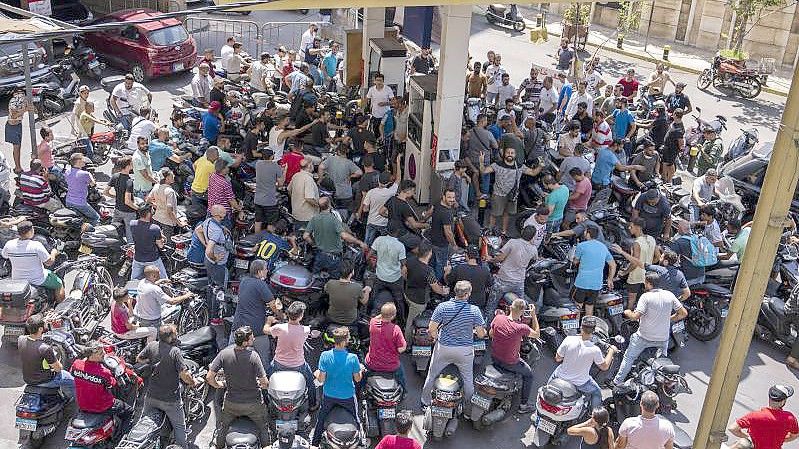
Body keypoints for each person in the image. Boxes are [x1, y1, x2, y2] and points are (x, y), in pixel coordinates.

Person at [612, 272, 688, 385]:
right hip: (662, 339)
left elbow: (635, 317)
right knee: (661, 362)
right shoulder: (669, 295)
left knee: (629, 357)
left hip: (644, 337)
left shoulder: (646, 297)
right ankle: (661, 383)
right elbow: (683, 313)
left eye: (645, 283)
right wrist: (668, 319)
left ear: (648, 284)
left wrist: (627, 312)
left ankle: (617, 381)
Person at [421, 281, 487, 408]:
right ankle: (468, 406)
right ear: (467, 294)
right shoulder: (475, 310)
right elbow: (480, 334)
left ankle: (425, 401)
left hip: (444, 348)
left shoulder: (442, 307)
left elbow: (431, 329)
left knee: (432, 374)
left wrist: (437, 338)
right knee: (468, 379)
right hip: (465, 350)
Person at [207, 326, 270, 449]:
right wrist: (260, 384)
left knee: (222, 428)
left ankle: (219, 446)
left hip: (231, 404)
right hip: (253, 404)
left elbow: (209, 377)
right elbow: (265, 383)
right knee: (263, 428)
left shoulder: (224, 354)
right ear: (245, 342)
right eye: (252, 338)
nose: (254, 339)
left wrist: (219, 385)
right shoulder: (253, 356)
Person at [136, 324, 196, 449]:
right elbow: (184, 375)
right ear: (170, 337)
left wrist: (151, 363)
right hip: (170, 400)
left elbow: (139, 359)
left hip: (151, 396)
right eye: (175, 333)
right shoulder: (175, 352)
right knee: (180, 427)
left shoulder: (152, 345)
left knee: (143, 423)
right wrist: (192, 382)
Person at [551, 316, 618, 409]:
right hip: (581, 383)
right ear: (593, 330)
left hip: (560, 376)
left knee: (549, 384)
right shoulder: (595, 350)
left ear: (581, 327)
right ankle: (594, 417)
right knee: (597, 393)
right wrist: (611, 350)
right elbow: (604, 367)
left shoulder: (568, 339)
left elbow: (558, 359)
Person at [263, 301, 318, 407]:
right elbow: (312, 333)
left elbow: (265, 330)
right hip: (299, 365)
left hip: (278, 364)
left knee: (265, 381)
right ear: (301, 316)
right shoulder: (305, 330)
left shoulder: (279, 328)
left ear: (288, 314)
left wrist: (268, 321)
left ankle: (265, 403)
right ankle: (313, 405)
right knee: (311, 383)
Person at [71, 342, 134, 434]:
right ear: (91, 355)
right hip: (102, 406)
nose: (104, 353)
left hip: (83, 405)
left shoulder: (76, 364)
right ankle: (124, 435)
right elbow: (112, 384)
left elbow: (73, 372)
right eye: (100, 353)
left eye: (103, 351)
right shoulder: (103, 372)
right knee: (129, 411)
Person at [490, 295, 539, 412]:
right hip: (510, 362)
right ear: (522, 311)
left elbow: (491, 334)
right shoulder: (521, 327)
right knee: (529, 375)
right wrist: (533, 315)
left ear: (510, 307)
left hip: (495, 357)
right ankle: (523, 406)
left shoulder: (498, 318)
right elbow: (537, 334)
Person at [479, 147, 543, 234]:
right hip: (498, 194)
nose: (510, 154)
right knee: (494, 214)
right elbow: (484, 171)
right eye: (508, 152)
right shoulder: (497, 164)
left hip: (512, 195)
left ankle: (504, 232)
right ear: (504, 154)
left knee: (507, 214)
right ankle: (490, 230)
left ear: (515, 155)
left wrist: (540, 166)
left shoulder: (520, 166)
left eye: (512, 153)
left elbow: (533, 172)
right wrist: (481, 162)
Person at [3, 221, 64, 302]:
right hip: (38, 279)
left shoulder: (9, 244)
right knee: (59, 284)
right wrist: (54, 252)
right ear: (31, 231)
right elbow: (49, 262)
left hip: (17, 279)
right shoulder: (36, 245)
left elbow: (5, 256)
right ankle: (61, 308)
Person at [404, 242, 450, 341]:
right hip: (418, 300)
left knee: (409, 315)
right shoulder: (428, 270)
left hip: (407, 294)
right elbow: (435, 288)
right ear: (429, 254)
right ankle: (407, 343)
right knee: (411, 322)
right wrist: (444, 291)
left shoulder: (410, 261)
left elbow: (403, 273)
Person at [19, 314, 74, 395]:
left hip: (27, 378)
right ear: (40, 329)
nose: (46, 324)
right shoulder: (45, 348)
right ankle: (75, 401)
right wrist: (57, 361)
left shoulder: (20, 340)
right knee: (72, 380)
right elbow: (58, 369)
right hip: (44, 380)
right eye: (44, 324)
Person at [728, 385, 798, 449]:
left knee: (743, 443)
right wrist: (781, 439)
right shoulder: (790, 418)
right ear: (783, 401)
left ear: (769, 398)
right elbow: (794, 435)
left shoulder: (755, 416)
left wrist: (749, 438)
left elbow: (732, 428)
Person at [611, 218, 658, 309]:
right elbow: (657, 257)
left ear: (638, 228)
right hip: (648, 274)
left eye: (631, 226)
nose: (629, 228)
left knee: (631, 300)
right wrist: (647, 265)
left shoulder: (636, 243)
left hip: (636, 276)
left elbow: (634, 263)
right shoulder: (651, 239)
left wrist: (624, 272)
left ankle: (629, 319)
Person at [489, 226, 538, 312]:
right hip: (519, 282)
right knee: (520, 308)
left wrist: (491, 259)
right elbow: (534, 260)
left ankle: (487, 324)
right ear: (533, 236)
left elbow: (500, 258)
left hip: (503, 280)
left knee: (491, 307)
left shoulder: (512, 242)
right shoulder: (533, 249)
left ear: (522, 232)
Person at [231, 259, 280, 340]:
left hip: (237, 326)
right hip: (255, 330)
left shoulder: (244, 281)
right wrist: (281, 316)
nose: (267, 271)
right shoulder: (261, 284)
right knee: (264, 352)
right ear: (259, 272)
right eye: (265, 269)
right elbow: (273, 305)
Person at [573, 226, 616, 316]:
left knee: (578, 306)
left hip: (582, 282)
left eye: (585, 232)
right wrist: (610, 279)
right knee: (590, 306)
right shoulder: (603, 247)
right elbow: (613, 265)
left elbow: (575, 261)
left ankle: (576, 328)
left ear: (588, 234)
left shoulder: (581, 246)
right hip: (596, 284)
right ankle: (588, 327)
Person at [364, 302, 407, 389]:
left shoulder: (373, 323)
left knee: (364, 374)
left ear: (381, 313)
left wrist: (383, 314)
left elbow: (376, 318)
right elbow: (401, 349)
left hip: (372, 364)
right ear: (393, 316)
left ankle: (361, 390)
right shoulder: (396, 329)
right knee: (401, 376)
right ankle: (404, 390)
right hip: (391, 366)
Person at [204, 205, 234, 325]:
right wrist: (215, 258)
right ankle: (215, 317)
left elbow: (198, 230)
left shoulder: (208, 221)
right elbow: (209, 250)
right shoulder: (216, 232)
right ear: (217, 215)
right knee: (219, 289)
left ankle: (208, 309)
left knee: (211, 286)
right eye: (223, 213)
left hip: (208, 262)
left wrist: (222, 228)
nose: (225, 214)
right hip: (217, 264)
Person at [372, 227, 407, 317]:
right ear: (397, 231)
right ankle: (401, 319)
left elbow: (370, 255)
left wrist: (371, 264)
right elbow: (403, 263)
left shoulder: (379, 240)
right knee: (399, 300)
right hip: (394, 278)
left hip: (380, 276)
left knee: (373, 296)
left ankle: (370, 313)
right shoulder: (400, 245)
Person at [323, 260, 370, 326]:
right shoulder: (357, 287)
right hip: (351, 320)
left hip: (332, 317)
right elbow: (364, 301)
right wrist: (367, 290)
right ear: (352, 272)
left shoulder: (330, 283)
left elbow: (325, 289)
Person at [445, 244, 492, 310]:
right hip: (478, 303)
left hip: (460, 302)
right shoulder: (485, 270)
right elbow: (489, 285)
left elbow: (448, 281)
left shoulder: (458, 268)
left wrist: (447, 272)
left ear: (466, 255)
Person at [318, 143, 363, 210]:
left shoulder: (331, 159)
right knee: (347, 214)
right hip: (346, 194)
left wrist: (320, 179)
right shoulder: (349, 163)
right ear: (347, 151)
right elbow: (360, 172)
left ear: (338, 151)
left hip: (334, 193)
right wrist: (350, 176)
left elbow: (321, 167)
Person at [104, 157, 138, 242]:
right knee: (130, 233)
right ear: (128, 166)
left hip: (117, 209)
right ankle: (130, 250)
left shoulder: (115, 176)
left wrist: (116, 197)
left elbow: (105, 192)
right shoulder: (129, 181)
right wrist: (138, 208)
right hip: (128, 212)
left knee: (113, 230)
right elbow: (127, 201)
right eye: (132, 163)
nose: (133, 165)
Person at [130, 203, 167, 280]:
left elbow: (143, 233)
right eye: (152, 210)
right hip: (153, 259)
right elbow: (160, 245)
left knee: (134, 281)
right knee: (164, 279)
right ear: (148, 213)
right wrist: (163, 239)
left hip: (138, 259)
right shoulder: (155, 228)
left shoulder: (132, 224)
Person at [148, 168, 185, 241]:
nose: (174, 175)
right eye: (172, 175)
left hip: (156, 218)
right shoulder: (170, 191)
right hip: (167, 222)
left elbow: (148, 200)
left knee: (157, 241)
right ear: (167, 178)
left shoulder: (156, 187)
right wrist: (180, 223)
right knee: (168, 245)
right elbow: (169, 211)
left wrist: (157, 206)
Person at [254, 149, 285, 233]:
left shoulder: (258, 164)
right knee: (270, 224)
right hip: (270, 201)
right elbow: (281, 183)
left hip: (258, 200)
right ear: (272, 156)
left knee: (258, 222)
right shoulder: (275, 166)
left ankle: (257, 240)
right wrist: (283, 171)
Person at [65, 153, 99, 225]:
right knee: (96, 218)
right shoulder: (85, 174)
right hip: (80, 203)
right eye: (83, 160)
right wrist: (91, 176)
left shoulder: (67, 171)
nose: (85, 161)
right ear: (78, 162)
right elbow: (93, 184)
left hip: (68, 201)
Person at [287, 158, 320, 231]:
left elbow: (289, 190)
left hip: (296, 213)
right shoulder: (308, 179)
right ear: (309, 166)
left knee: (298, 237)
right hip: (307, 216)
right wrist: (318, 205)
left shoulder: (296, 175)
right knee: (307, 238)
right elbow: (309, 198)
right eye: (312, 164)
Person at [207, 159, 241, 228]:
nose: (228, 169)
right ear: (223, 169)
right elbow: (232, 201)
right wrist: (240, 209)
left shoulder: (212, 176)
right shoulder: (225, 183)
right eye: (227, 167)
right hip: (222, 215)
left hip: (211, 210)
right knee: (224, 236)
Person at [5, 88, 32, 173]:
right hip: (12, 126)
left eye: (22, 93)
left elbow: (33, 108)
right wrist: (25, 110)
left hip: (18, 125)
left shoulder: (24, 100)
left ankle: (18, 166)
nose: (21, 95)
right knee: (16, 147)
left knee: (18, 147)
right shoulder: (13, 101)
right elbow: (13, 115)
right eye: (19, 93)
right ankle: (17, 168)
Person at [660, 108, 685, 183]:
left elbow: (681, 142)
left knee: (670, 164)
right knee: (664, 162)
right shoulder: (675, 122)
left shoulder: (679, 129)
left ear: (675, 115)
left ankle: (669, 180)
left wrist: (680, 149)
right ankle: (664, 177)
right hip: (666, 147)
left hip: (672, 149)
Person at [366, 73, 394, 138]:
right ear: (374, 81)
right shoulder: (371, 89)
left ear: (383, 81)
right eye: (377, 80)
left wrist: (385, 103)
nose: (378, 82)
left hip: (385, 115)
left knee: (386, 132)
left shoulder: (388, 89)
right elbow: (367, 99)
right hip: (375, 115)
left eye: (380, 80)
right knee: (376, 132)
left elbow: (393, 101)